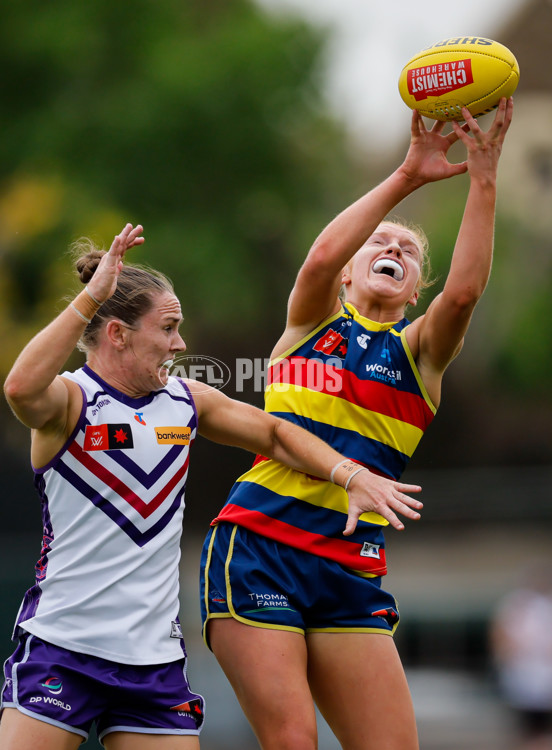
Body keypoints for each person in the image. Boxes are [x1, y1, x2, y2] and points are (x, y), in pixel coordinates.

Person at [0, 223, 423, 750]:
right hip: (63, 646)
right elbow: (19, 388)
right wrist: (91, 298)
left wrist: (351, 474)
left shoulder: (186, 401)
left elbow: (275, 433)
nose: (181, 343)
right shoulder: (69, 403)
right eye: (169, 327)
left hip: (152, 663)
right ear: (118, 334)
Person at [200, 98, 514, 750]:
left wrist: (482, 179)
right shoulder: (310, 324)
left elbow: (462, 294)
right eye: (381, 241)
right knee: (293, 740)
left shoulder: (419, 356)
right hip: (260, 549)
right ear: (350, 271)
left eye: (407, 250)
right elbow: (317, 258)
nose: (394, 245)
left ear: (412, 292)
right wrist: (408, 176)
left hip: (348, 564)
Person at [490, 562, 552, 750]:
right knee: (528, 728)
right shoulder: (517, 604)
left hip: (544, 675)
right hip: (524, 675)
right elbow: (500, 634)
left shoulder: (546, 605)